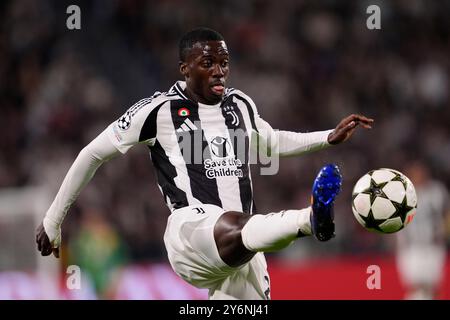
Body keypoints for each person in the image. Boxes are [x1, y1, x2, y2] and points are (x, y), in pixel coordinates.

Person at [36, 28, 373, 299]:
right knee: (240, 224)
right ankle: (311, 219)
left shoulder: (239, 104)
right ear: (185, 68)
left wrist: (327, 136)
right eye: (208, 62)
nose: (219, 71)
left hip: (243, 248)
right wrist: (53, 220)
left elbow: (269, 142)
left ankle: (309, 221)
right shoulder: (158, 110)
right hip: (190, 234)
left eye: (224, 62)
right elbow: (92, 154)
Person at [396, 161, 449, 300]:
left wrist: (444, 232)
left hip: (433, 245)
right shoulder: (402, 194)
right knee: (415, 284)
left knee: (433, 285)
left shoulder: (437, 191)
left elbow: (446, 213)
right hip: (411, 246)